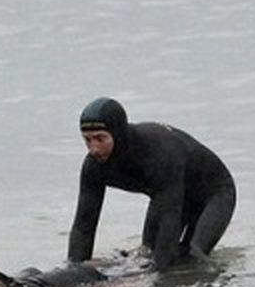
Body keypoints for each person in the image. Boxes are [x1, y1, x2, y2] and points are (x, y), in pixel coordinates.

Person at [69, 97, 236, 270]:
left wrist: (156, 280)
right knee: (146, 254)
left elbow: (169, 218)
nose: (94, 148)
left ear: (118, 134)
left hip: (214, 193)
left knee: (193, 256)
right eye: (87, 140)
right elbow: (84, 225)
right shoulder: (93, 166)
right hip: (166, 193)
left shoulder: (158, 153)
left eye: (100, 138)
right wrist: (74, 271)